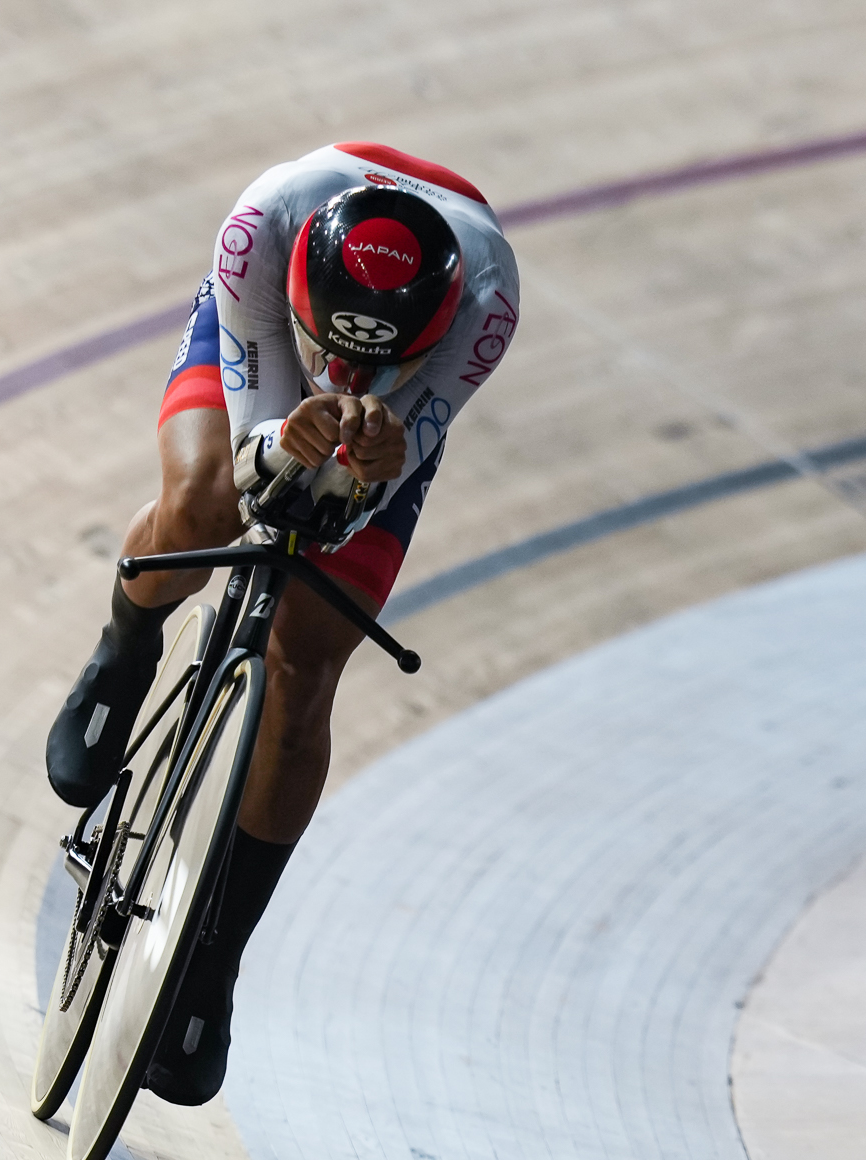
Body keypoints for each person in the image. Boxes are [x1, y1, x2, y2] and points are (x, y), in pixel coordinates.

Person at [47, 142, 520, 1105]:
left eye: (368, 353)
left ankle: (213, 960)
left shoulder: (486, 303)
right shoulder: (261, 229)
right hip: (259, 343)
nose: (339, 366)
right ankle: (124, 647)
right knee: (206, 505)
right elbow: (260, 455)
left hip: (402, 402)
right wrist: (279, 435)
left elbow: (365, 479)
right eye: (332, 343)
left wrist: (371, 452)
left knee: (305, 663)